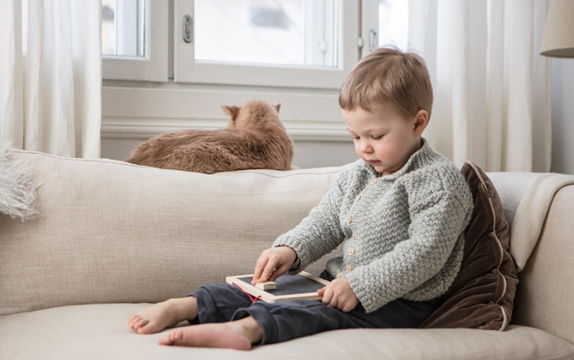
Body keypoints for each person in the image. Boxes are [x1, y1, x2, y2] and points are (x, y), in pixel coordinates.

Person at [127, 46, 474, 350]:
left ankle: (246, 329)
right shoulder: (358, 174)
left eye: (376, 135)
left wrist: (360, 284)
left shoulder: (438, 180)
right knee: (268, 287)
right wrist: (291, 249)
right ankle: (186, 306)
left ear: (418, 123)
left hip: (402, 300)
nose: (364, 148)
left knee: (315, 312)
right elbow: (324, 222)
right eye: (355, 136)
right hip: (339, 282)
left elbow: (425, 252)